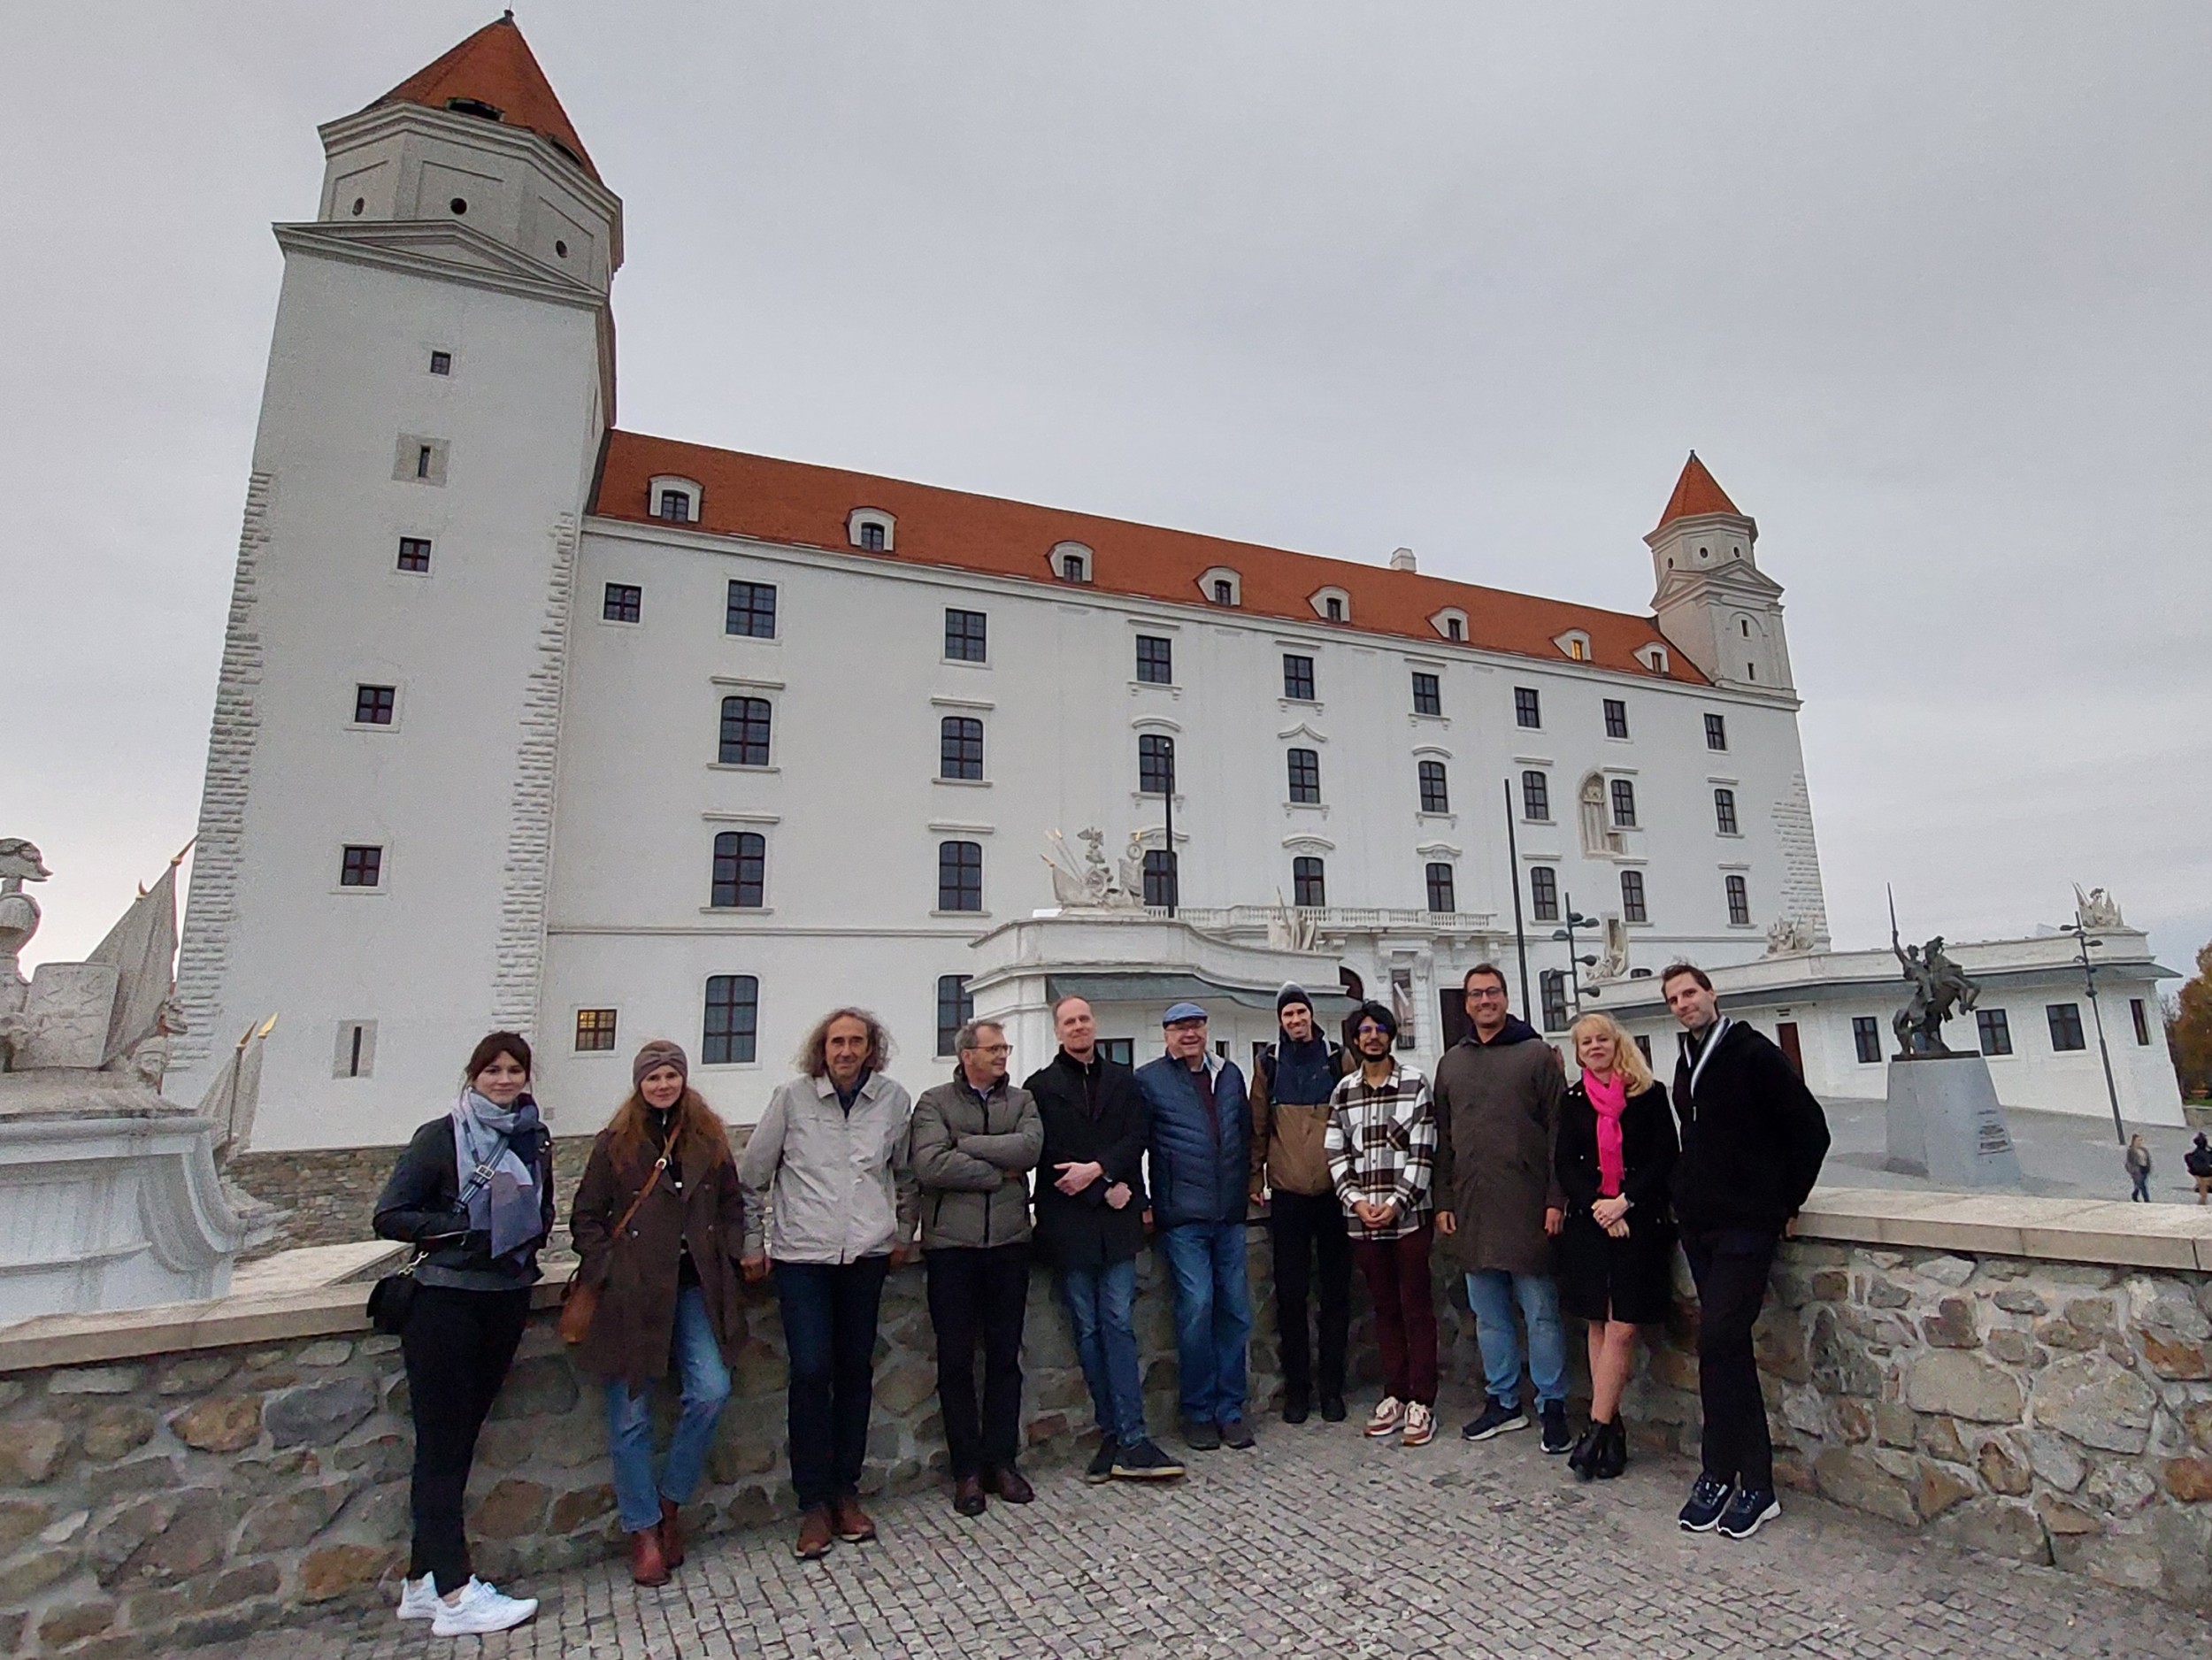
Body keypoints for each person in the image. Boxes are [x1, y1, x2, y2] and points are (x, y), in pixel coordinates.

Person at [373, 1031, 553, 1637]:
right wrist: (461, 1229)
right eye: (493, 1070)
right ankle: (455, 1594)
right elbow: (390, 1214)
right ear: (473, 1075)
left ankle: (422, 1583)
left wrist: (529, 1227)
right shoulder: (440, 1136)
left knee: (458, 1439)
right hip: (445, 1303)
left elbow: (544, 1207)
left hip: (504, 1297)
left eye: (514, 1070)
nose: (504, 1080)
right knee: (443, 1445)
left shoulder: (533, 1138)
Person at [738, 1008, 919, 1561]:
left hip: (864, 1255)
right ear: (823, 1048)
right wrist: (752, 1243)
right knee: (812, 1373)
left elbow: (906, 1174)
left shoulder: (891, 1101)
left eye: (856, 1042)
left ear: (871, 1049)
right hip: (803, 1258)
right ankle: (812, 1502)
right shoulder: (791, 1099)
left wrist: (901, 1232)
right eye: (837, 1042)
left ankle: (847, 1492)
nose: (845, 1051)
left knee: (855, 1373)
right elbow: (752, 1178)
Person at [1663, 963, 1831, 1541]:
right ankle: (1742, 1479)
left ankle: (1730, 1473)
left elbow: (1811, 1130)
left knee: (1718, 1341)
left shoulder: (1753, 1053)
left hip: (1746, 1225)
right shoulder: (1687, 1059)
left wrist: (1785, 1200)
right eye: (1675, 999)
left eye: (1690, 993)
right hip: (1703, 1225)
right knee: (1727, 1351)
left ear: (1711, 994)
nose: (1684, 1004)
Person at [569, 1041, 747, 1585]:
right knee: (630, 1419)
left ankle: (671, 1501)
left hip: (695, 1289)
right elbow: (586, 1217)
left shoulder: (708, 1140)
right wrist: (612, 1265)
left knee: (711, 1390)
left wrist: (730, 1251)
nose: (663, 1085)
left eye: (671, 1075)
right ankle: (643, 1529)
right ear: (639, 1085)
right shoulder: (615, 1145)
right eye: (653, 1077)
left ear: (683, 1080)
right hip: (632, 1296)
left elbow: (732, 1204)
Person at [1022, 996, 1184, 1482]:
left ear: (1095, 1026)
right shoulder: (1040, 1087)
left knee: (1117, 1323)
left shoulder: (1123, 1081)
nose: (1078, 1027)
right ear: (1057, 1031)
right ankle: (1114, 1434)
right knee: (1088, 1329)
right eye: (1069, 1021)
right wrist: (1102, 1186)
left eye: (1084, 1019)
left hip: (1116, 1222)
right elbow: (1049, 1154)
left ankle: (1130, 1435)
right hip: (1071, 1222)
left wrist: (1106, 1173)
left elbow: (1136, 1136)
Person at [1432, 964, 1573, 1455]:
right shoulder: (1452, 1062)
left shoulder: (1536, 1055)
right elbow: (1443, 1139)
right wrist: (1443, 1200)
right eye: (1476, 994)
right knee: (1489, 1315)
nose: (1485, 1000)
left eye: (1493, 992)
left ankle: (1552, 1404)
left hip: (1529, 1205)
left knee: (1541, 1314)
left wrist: (1558, 1198)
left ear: (1506, 998)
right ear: (1467, 1004)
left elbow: (1561, 1133)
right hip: (1472, 1207)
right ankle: (1504, 1400)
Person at [908, 1018, 1044, 1516]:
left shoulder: (1021, 1101)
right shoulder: (933, 1102)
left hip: (1009, 1243)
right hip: (953, 1248)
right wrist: (996, 1172)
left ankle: (1001, 1462)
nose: (1002, 1056)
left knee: (1005, 1359)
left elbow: (1029, 1150)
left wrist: (964, 1144)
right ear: (967, 1055)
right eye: (993, 1049)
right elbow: (929, 1164)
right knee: (957, 1362)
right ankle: (967, 1469)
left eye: (1005, 1048)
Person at [1555, 1013, 1678, 1482]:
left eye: (1601, 1039)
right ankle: (1613, 1434)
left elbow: (1664, 1157)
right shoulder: (1574, 1099)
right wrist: (1599, 1207)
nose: (1595, 1047)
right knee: (1598, 1324)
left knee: (1623, 1327)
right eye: (1586, 1042)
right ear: (1578, 1051)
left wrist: (1624, 1203)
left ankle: (1597, 1428)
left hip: (1639, 1220)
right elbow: (1566, 1162)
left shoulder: (1647, 1095)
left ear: (1616, 1042)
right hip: (1591, 1223)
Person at [1137, 1002, 1256, 1451]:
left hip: (1229, 1214)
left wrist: (1252, 1182)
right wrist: (1146, 1203)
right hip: (1183, 1216)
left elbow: (1245, 1133)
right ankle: (1198, 1411)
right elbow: (1139, 1143)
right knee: (1197, 1310)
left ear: (1206, 1030)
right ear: (1165, 1033)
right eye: (1180, 1027)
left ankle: (1231, 1410)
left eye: (1196, 1026)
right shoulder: (1149, 1081)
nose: (1190, 1034)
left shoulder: (1229, 1075)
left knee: (1236, 1313)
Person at [1325, 1002, 1440, 1448]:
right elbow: (1336, 1153)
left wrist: (1395, 1204)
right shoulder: (1344, 1092)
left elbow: (1422, 1153)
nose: (1372, 1036)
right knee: (1384, 1309)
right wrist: (1355, 1201)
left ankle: (1422, 1400)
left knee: (1417, 1309)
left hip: (1408, 1220)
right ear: (1355, 1039)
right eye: (1364, 1030)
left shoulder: (1414, 1084)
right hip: (1362, 1223)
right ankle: (1394, 1392)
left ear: (1392, 1035)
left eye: (1380, 1029)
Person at [1249, 982, 1354, 1424]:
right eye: (1288, 1015)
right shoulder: (1269, 1064)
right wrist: (1255, 1175)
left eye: (1301, 1013)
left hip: (1334, 1193)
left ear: (1312, 1016)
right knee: (1290, 1297)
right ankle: (1298, 1391)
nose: (1296, 1021)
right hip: (1289, 1194)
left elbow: (1354, 1119)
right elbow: (1258, 1125)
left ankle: (1332, 1389)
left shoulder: (1337, 1059)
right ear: (1280, 1021)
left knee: (1336, 1295)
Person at [2126, 1134, 2154, 1203]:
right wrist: (2132, 1170)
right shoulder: (2131, 1151)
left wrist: (2149, 1167)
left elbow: (2148, 1159)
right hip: (2137, 1169)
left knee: (2139, 1185)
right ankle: (2146, 1199)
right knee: (2142, 1185)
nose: (2140, 1142)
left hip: (2144, 1168)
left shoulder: (2144, 1150)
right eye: (2138, 1140)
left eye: (2140, 1140)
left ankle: (2134, 1195)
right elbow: (2129, 1161)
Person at [2186, 1133, 2212, 1205]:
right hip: (2206, 1173)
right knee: (2204, 1186)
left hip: (2197, 1173)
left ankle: (2202, 1200)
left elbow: (2189, 1161)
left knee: (2203, 1190)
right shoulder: (2207, 1154)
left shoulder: (2191, 1155)